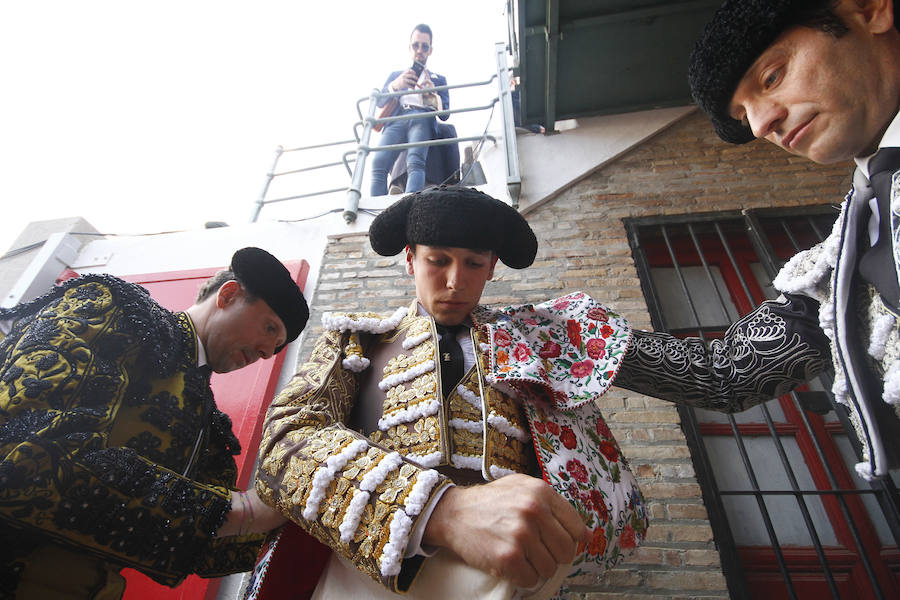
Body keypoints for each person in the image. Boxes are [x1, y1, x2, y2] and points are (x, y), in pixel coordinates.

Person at [249, 187, 649, 599]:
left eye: (473, 263)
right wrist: (435, 510)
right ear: (410, 260)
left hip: (510, 572)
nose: (455, 281)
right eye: (437, 261)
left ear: (492, 267)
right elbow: (287, 437)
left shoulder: (535, 341)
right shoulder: (357, 339)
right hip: (367, 568)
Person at [613, 0, 900, 481]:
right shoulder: (845, 254)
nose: (763, 125)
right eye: (744, 117)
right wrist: (567, 338)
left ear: (869, 10)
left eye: (772, 77)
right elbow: (727, 373)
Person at [0, 247, 309, 598]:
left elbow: (204, 545)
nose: (268, 352)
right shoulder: (115, 308)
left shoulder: (207, 422)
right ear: (228, 294)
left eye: (278, 346)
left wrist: (311, 504)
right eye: (270, 328)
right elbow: (20, 452)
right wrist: (243, 511)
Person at [370, 24, 451, 197]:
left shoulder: (438, 79)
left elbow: (445, 114)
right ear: (410, 47)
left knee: (415, 161)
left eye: (424, 46)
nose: (419, 50)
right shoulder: (396, 75)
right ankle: (376, 210)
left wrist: (433, 94)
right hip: (397, 119)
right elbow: (380, 101)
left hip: (422, 117)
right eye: (416, 45)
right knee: (378, 162)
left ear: (430, 50)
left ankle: (408, 205)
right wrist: (395, 86)